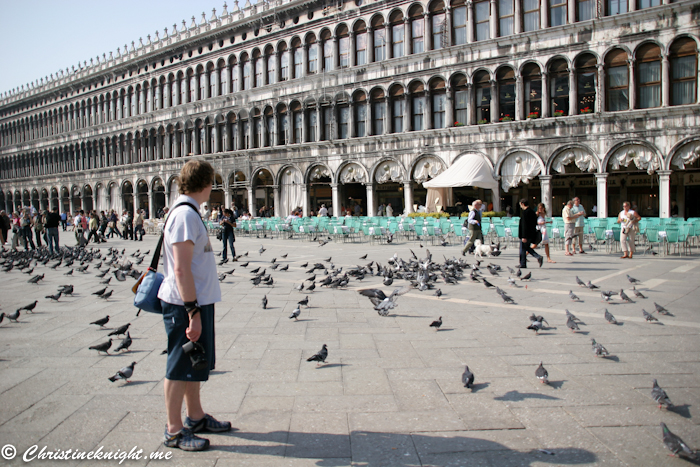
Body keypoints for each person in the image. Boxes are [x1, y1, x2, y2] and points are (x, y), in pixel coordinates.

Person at [157, 160, 230, 451]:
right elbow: (181, 270)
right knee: (178, 365)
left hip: (194, 301)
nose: (212, 188)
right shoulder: (185, 216)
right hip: (184, 304)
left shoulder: (189, 212)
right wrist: (192, 312)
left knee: (193, 362)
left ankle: (195, 416)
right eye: (211, 182)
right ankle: (174, 431)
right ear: (204, 184)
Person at [518, 199, 543, 269]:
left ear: (523, 204)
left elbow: (524, 225)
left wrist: (523, 236)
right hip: (531, 233)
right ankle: (537, 257)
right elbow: (535, 222)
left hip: (526, 234)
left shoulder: (525, 213)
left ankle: (523, 263)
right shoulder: (532, 212)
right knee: (526, 248)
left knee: (523, 249)